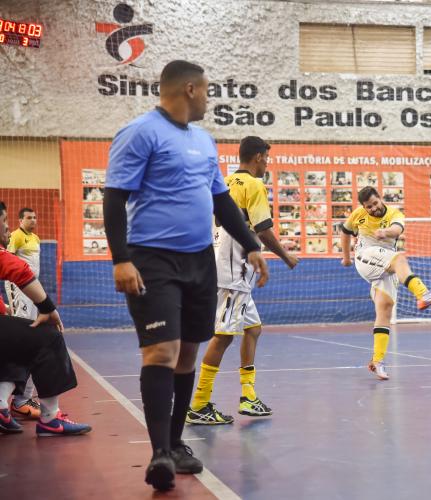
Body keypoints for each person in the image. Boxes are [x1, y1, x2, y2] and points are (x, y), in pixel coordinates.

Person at [103, 60, 268, 492]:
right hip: (151, 258)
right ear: (190, 89)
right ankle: (159, 453)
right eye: (207, 91)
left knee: (187, 355)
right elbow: (114, 197)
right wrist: (121, 258)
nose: (209, 99)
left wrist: (251, 244)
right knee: (161, 350)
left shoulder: (204, 140)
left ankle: (175, 444)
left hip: (199, 261)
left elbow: (221, 201)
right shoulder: (140, 132)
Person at [188, 137, 299, 425]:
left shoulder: (225, 181)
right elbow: (263, 230)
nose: (267, 164)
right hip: (233, 270)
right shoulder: (254, 185)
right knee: (223, 335)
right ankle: (199, 404)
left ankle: (248, 397)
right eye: (267, 159)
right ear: (260, 157)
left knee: (253, 329)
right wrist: (286, 257)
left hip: (227, 266)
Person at [0, 201, 91, 437]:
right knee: (47, 335)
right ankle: (50, 419)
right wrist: (48, 307)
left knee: (20, 340)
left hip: (25, 294)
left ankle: (3, 405)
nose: (7, 229)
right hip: (24, 291)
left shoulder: (36, 238)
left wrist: (3, 308)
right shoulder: (15, 242)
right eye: (4, 222)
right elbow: (14, 268)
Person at [341, 186, 431, 380]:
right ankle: (423, 294)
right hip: (366, 256)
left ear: (380, 199)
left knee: (385, 309)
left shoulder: (395, 213)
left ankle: (377, 361)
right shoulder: (358, 215)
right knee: (400, 260)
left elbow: (397, 229)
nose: (373, 209)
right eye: (368, 207)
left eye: (375, 204)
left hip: (385, 264)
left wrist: (386, 232)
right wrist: (346, 257)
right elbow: (345, 231)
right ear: (363, 207)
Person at [3, 207, 42, 419]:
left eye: (35, 217)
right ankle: (16, 400)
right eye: (29, 217)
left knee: (32, 336)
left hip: (32, 287)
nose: (33, 220)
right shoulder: (16, 236)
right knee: (23, 338)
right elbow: (8, 261)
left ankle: (22, 398)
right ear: (19, 220)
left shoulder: (35, 237)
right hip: (19, 289)